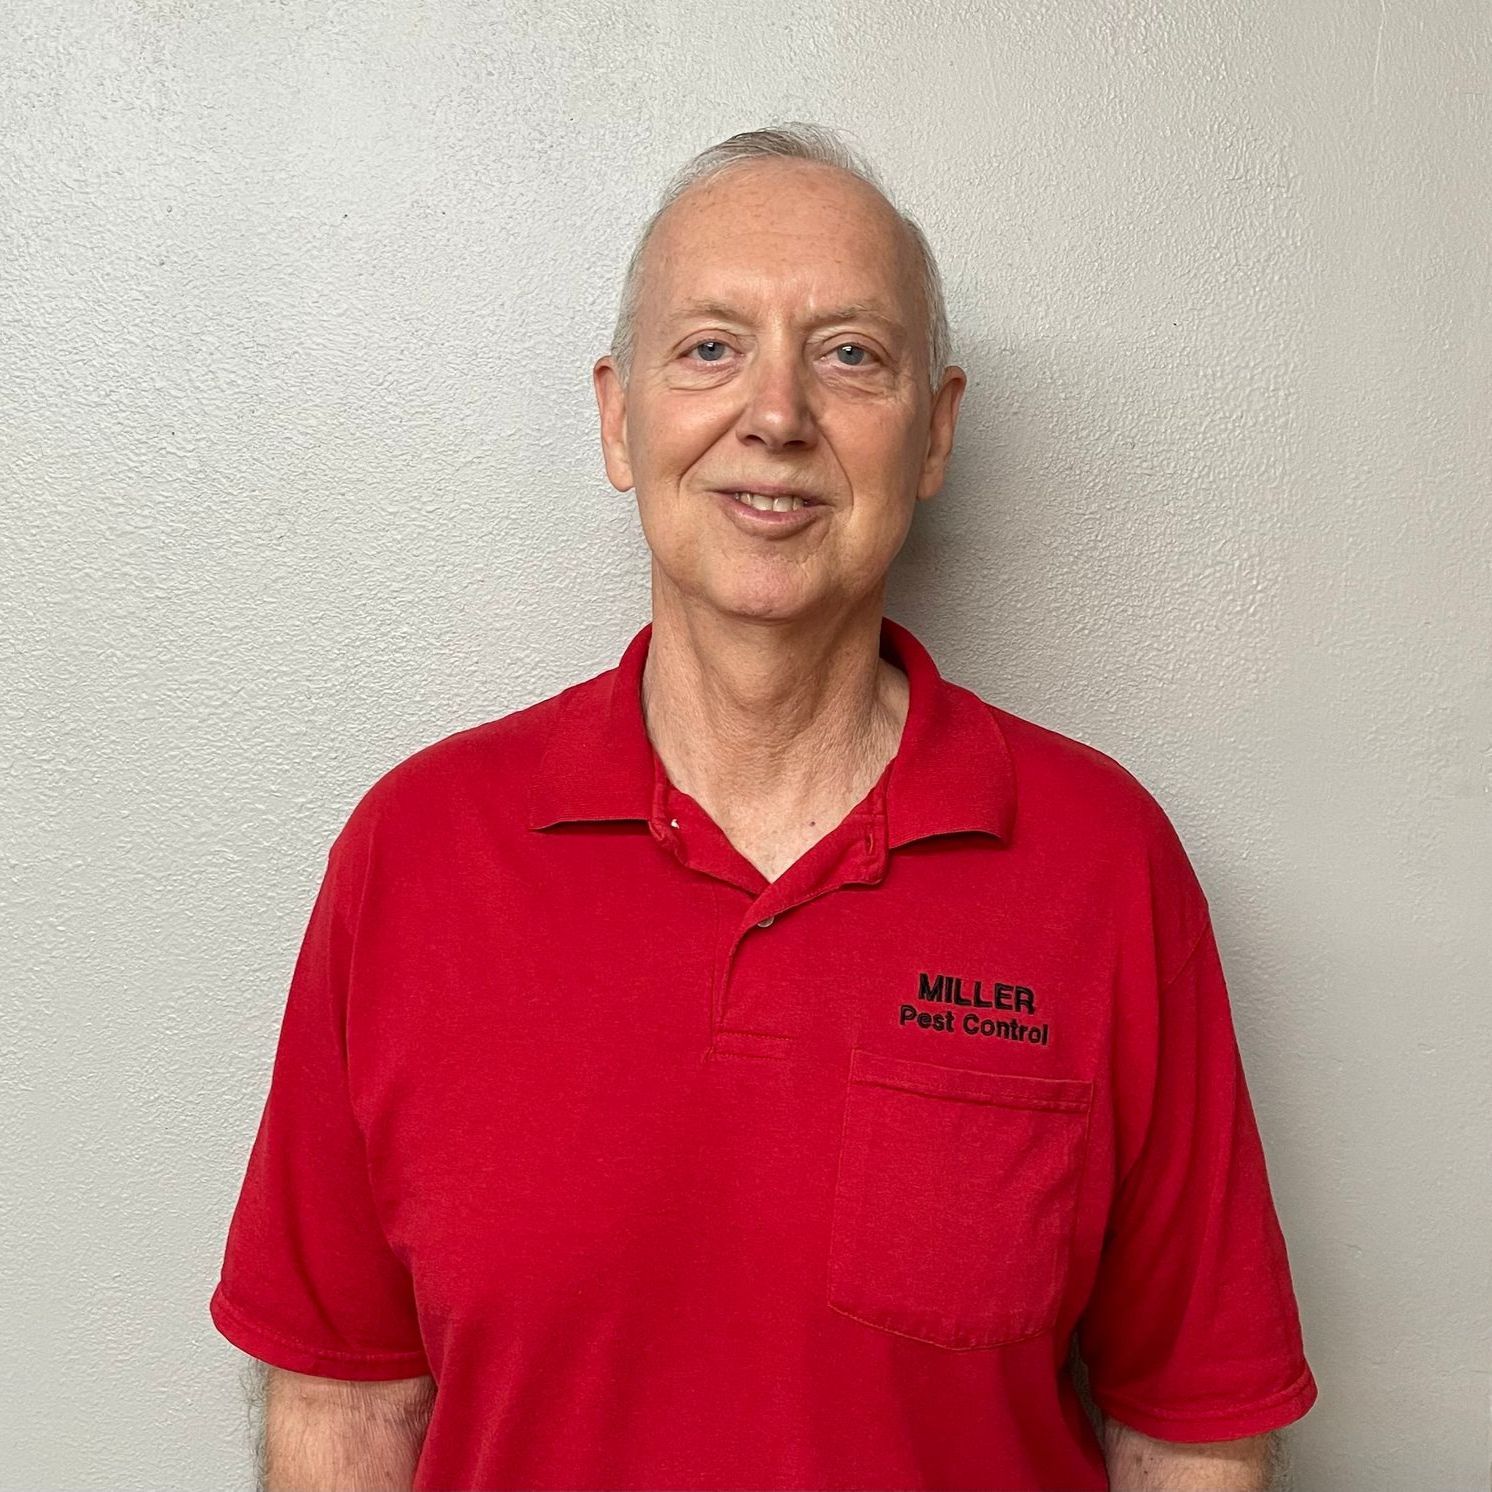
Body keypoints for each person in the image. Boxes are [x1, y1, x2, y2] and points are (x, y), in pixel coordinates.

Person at [209, 121, 1318, 1491]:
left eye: (850, 353)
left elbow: (1193, 1431)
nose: (777, 414)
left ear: (933, 433)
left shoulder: (1104, 867)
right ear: (622, 419)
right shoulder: (419, 854)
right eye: (711, 348)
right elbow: (342, 1411)